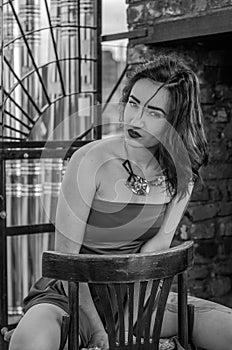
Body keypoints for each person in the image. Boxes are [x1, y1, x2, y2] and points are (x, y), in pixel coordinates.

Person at [8, 54, 232, 350]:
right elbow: (68, 262)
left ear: (174, 123)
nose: (136, 119)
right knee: (30, 342)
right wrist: (100, 332)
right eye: (133, 103)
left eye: (154, 112)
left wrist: (125, 327)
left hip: (139, 296)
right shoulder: (88, 160)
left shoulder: (182, 172)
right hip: (72, 295)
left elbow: (155, 251)